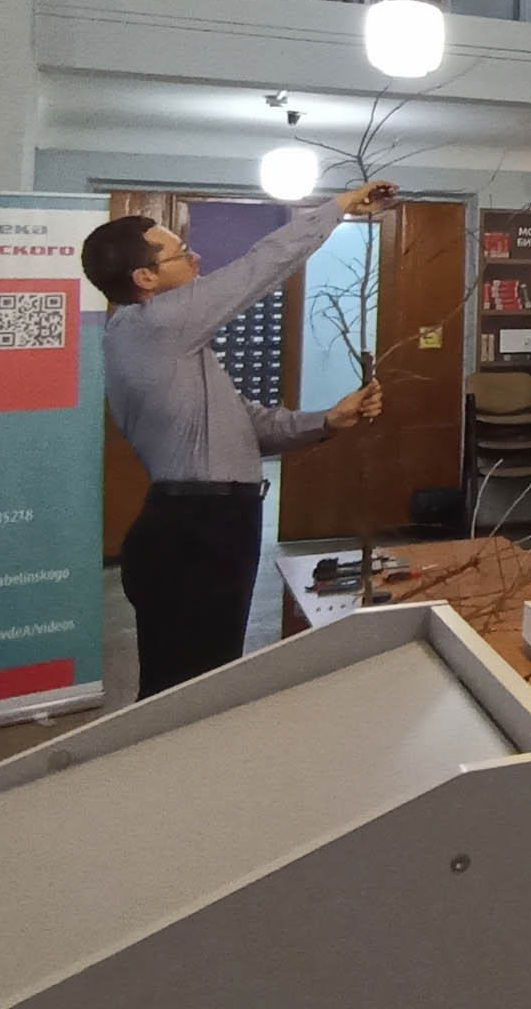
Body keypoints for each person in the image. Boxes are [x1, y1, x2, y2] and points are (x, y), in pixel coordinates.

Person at [83, 186, 391, 697]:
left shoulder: (175, 344)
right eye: (181, 253)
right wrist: (336, 208)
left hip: (211, 526)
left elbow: (244, 428)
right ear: (145, 278)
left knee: (202, 680)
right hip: (194, 532)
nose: (196, 259)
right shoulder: (153, 324)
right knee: (188, 691)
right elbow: (257, 269)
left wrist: (328, 420)